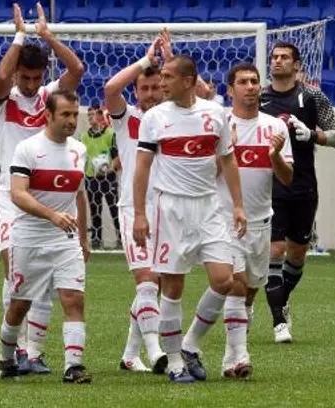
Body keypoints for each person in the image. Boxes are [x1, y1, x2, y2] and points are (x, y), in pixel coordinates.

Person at [133, 54, 247, 384]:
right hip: (170, 209)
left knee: (225, 280)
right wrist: (140, 213)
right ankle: (174, 363)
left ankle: (190, 343)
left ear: (187, 81)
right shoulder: (154, 118)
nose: (161, 83)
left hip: (209, 207)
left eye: (168, 77)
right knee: (172, 287)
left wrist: (238, 206)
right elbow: (141, 168)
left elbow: (228, 161)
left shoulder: (214, 114)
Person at [0, 2, 84, 374]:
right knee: (15, 273)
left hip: (52, 195)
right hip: (12, 196)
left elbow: (76, 70)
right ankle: (12, 347)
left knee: (49, 280)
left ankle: (34, 351)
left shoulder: (51, 98)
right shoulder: (5, 100)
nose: (29, 85)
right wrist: (20, 35)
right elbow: (0, 79)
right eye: (24, 78)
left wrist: (46, 35)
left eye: (35, 78)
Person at [183, 63, 294, 380]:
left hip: (261, 221)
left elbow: (286, 179)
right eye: (243, 82)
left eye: (254, 81)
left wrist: (274, 156)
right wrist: (224, 150)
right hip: (222, 218)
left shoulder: (276, 127)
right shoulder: (220, 124)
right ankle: (239, 355)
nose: (250, 86)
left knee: (248, 291)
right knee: (235, 283)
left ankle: (218, 356)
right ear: (230, 90)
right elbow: (206, 175)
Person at [0, 90, 92, 384]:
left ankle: (73, 366)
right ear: (48, 115)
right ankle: (5, 357)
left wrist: (84, 237)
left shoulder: (79, 150)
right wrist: (51, 215)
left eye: (75, 114)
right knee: (20, 304)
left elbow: (80, 194)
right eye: (65, 114)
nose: (71, 120)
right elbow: (17, 194)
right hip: (29, 238)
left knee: (73, 299)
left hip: (64, 240)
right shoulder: (28, 149)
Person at [259, 42, 335, 343]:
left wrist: (313, 135)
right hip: (271, 185)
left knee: (297, 254)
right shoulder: (260, 98)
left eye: (284, 57)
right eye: (274, 57)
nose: (278, 61)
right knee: (276, 250)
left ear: (297, 64)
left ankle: (280, 297)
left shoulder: (312, 96)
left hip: (304, 184)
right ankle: (279, 320)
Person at [104, 33, 168, 374]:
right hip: (133, 208)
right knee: (145, 278)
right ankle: (157, 351)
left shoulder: (175, 117)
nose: (151, 94)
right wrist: (145, 62)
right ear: (137, 92)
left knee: (155, 281)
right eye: (145, 88)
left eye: (157, 87)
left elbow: (204, 95)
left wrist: (169, 60)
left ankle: (130, 355)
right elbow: (110, 89)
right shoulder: (126, 117)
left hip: (169, 209)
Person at [80, 106, 121, 249]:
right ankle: (96, 239)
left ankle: (121, 238)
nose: (90, 118)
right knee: (94, 210)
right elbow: (81, 159)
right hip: (92, 178)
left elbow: (116, 156)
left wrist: (110, 169)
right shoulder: (84, 137)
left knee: (115, 208)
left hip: (108, 177)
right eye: (88, 116)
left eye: (93, 115)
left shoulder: (110, 134)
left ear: (99, 116)